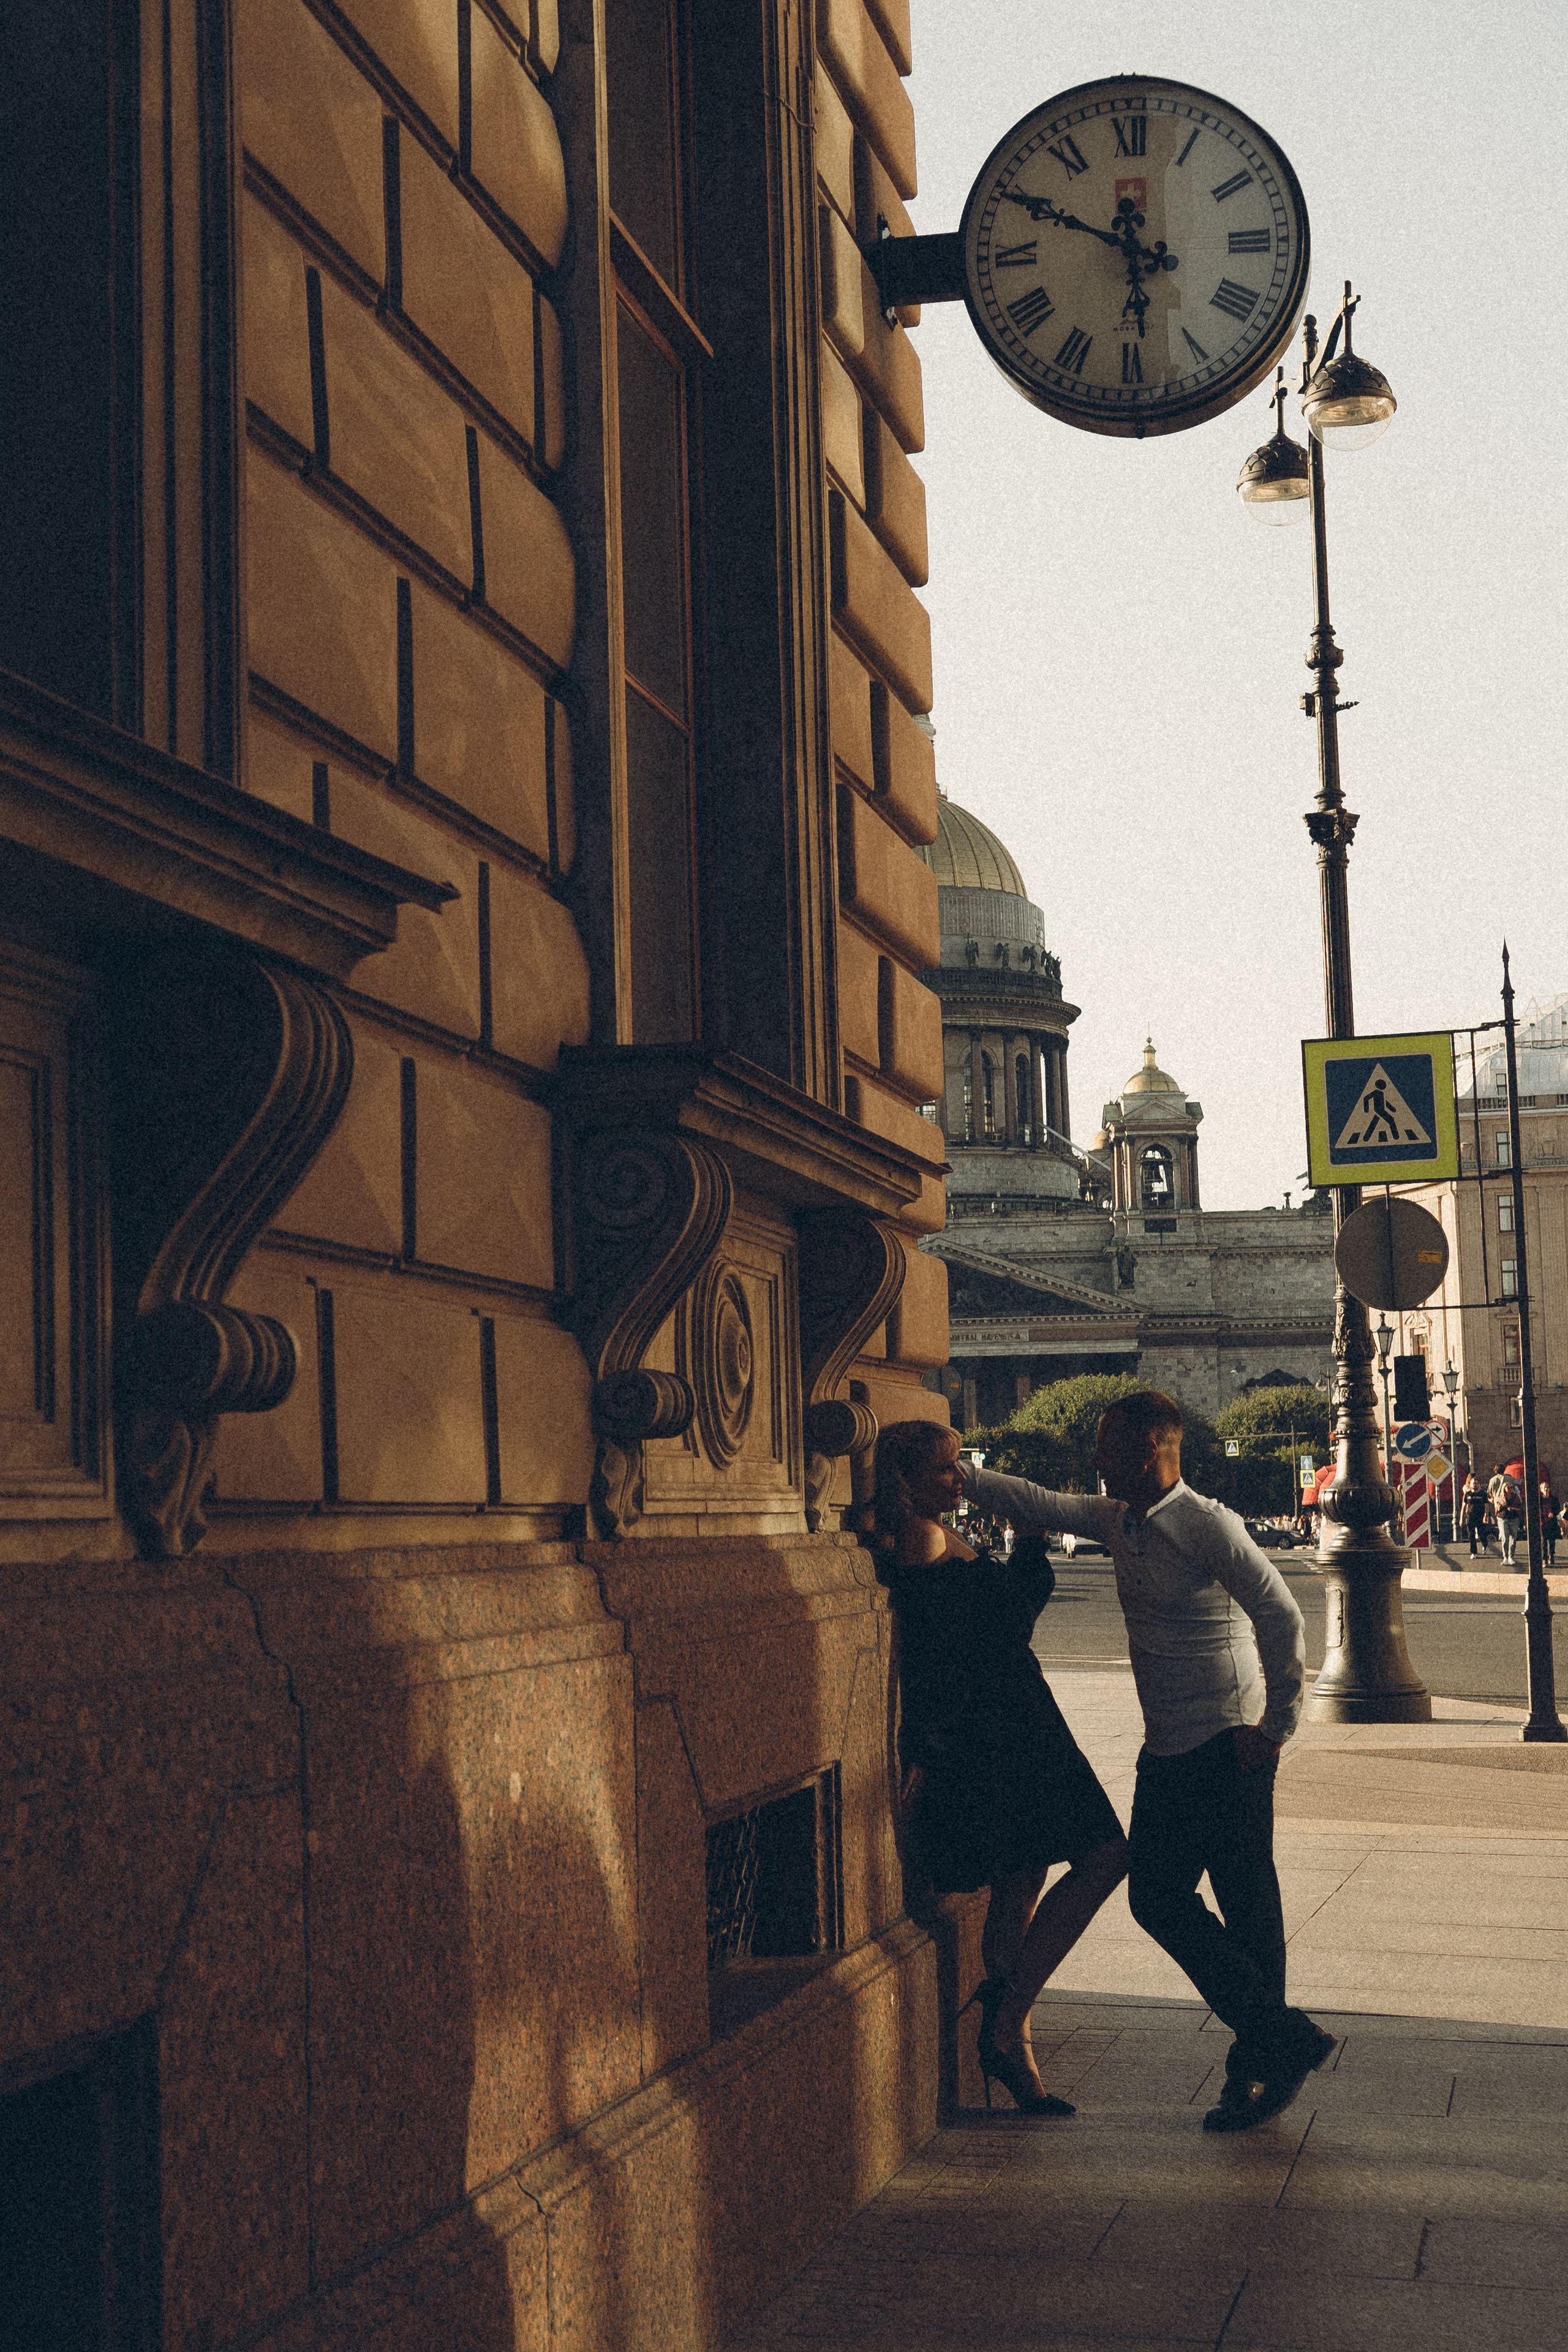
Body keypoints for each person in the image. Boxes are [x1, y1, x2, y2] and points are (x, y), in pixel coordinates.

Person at [962, 1390, 1335, 2134]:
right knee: (1159, 1899)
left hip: (1228, 1745)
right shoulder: (1117, 1520)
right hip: (1165, 1749)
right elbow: (1035, 1500)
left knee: (1244, 1907)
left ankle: (1257, 2063)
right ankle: (1277, 2039)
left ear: (1148, 1451)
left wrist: (1276, 1726)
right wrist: (955, 1468)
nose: (1094, 1460)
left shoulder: (1206, 1523)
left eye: (1106, 1446)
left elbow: (1281, 1615)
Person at [874, 1420, 1128, 2117]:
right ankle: (1008, 2017)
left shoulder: (940, 1534)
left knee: (1023, 1875)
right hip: (999, 1726)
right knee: (1105, 1854)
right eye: (945, 1469)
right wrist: (928, 1749)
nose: (960, 1480)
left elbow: (1003, 1619)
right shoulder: (923, 1538)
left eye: (959, 1467)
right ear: (906, 1477)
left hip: (1015, 1714)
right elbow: (945, 1651)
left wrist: (1027, 1540)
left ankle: (1009, 2037)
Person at [1491, 1463, 1525, 1567]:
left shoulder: (1493, 1480)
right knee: (1507, 1538)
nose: (1510, 1488)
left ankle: (1510, 1556)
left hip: (1511, 1516)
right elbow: (1521, 1482)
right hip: (1503, 1516)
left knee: (1512, 1538)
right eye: (1509, 1487)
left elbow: (1490, 1493)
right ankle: (1506, 1556)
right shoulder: (1510, 1479)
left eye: (1511, 1487)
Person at [1461, 1471, 1488, 1559]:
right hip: (1470, 1516)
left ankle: (1485, 1544)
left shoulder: (1483, 1494)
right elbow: (1464, 1507)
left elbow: (1486, 1506)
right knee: (1471, 1534)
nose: (1475, 1485)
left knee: (1481, 1533)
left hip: (1480, 1516)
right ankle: (1474, 1552)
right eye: (1474, 1483)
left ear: (1478, 1484)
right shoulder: (1467, 1494)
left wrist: (1486, 1516)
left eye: (1477, 1483)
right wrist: (1461, 1519)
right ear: (1471, 1484)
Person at [1540, 1480, 1559, 1568]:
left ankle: (1552, 1555)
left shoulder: (1554, 1499)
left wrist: (1553, 1513)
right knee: (1544, 1541)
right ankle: (1545, 1559)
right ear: (1541, 1490)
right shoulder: (1539, 1500)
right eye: (1545, 1488)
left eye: (1548, 1487)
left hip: (1552, 1523)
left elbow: (1558, 1509)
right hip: (1543, 1523)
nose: (1546, 1489)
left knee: (1552, 1541)